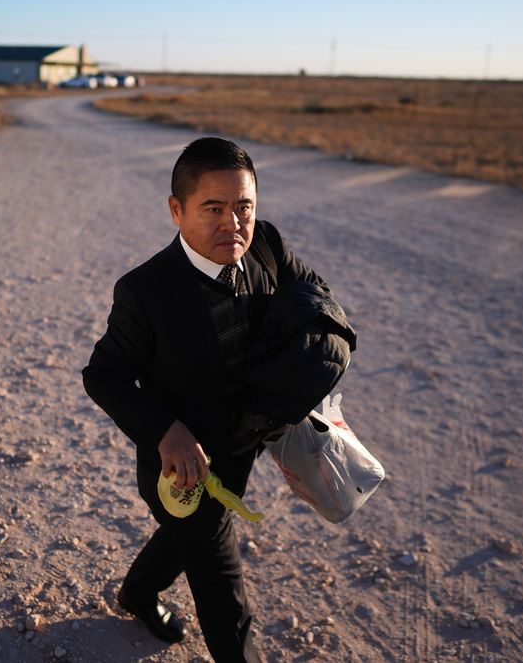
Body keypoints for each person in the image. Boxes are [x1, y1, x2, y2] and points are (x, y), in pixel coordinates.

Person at [82, 137, 338, 662]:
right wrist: (165, 431)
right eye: (213, 208)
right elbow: (102, 374)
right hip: (183, 468)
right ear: (176, 211)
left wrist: (306, 368)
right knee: (223, 587)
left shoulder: (265, 244)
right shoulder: (145, 291)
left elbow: (314, 292)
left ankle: (136, 592)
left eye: (243, 206)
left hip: (244, 446)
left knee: (186, 540)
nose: (233, 223)